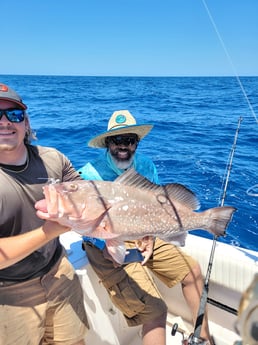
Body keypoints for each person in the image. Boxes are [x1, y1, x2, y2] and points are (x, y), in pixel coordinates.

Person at [78, 110, 214, 345]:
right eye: (117, 140)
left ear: (137, 143)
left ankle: (204, 338)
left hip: (141, 234)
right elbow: (81, 222)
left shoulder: (146, 166)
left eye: (129, 140)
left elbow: (156, 208)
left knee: (192, 272)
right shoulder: (89, 174)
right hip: (104, 242)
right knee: (154, 309)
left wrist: (149, 238)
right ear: (107, 143)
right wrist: (107, 244)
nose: (123, 146)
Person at [0, 83, 88, 345]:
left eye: (14, 115)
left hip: (59, 272)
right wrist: (49, 231)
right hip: (10, 294)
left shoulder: (53, 159)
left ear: (26, 123)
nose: (5, 122)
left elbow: (86, 193)